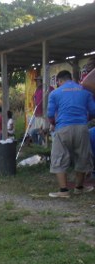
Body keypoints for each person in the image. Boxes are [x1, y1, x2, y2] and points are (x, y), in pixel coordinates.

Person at [47, 70, 95, 198]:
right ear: (71, 78)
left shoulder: (55, 93)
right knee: (82, 157)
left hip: (63, 128)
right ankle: (79, 188)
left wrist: (54, 123)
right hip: (82, 128)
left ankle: (63, 191)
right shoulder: (85, 92)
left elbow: (50, 114)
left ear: (59, 81)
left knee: (59, 157)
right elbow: (93, 111)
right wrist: (85, 120)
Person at [29, 76, 53, 146]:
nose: (36, 82)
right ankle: (38, 147)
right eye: (36, 81)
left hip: (46, 116)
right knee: (34, 132)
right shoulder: (37, 90)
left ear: (42, 81)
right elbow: (35, 100)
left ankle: (45, 146)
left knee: (42, 132)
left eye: (38, 81)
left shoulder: (49, 89)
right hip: (38, 115)